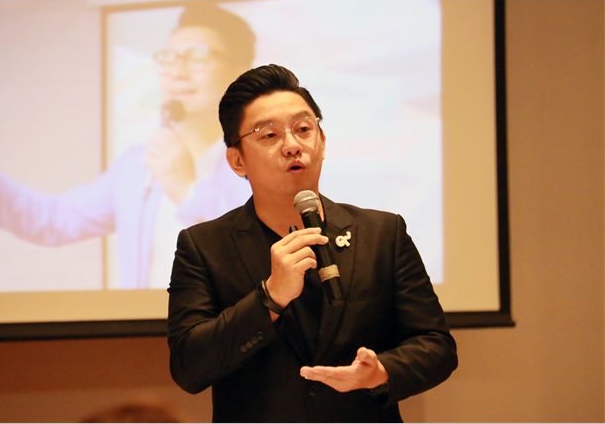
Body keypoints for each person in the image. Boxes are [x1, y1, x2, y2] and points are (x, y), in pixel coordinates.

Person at [167, 64, 457, 422]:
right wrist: (269, 297)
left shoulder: (382, 233)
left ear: (322, 142)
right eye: (269, 135)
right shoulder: (203, 247)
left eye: (303, 129)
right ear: (237, 161)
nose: (292, 146)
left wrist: (381, 371)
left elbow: (436, 345)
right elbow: (189, 368)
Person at [0, 4, 254, 289]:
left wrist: (188, 192)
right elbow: (53, 220)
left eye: (197, 57)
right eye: (168, 58)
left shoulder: (261, 162)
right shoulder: (139, 165)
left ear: (239, 74)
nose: (177, 72)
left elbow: (258, 251)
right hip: (146, 318)